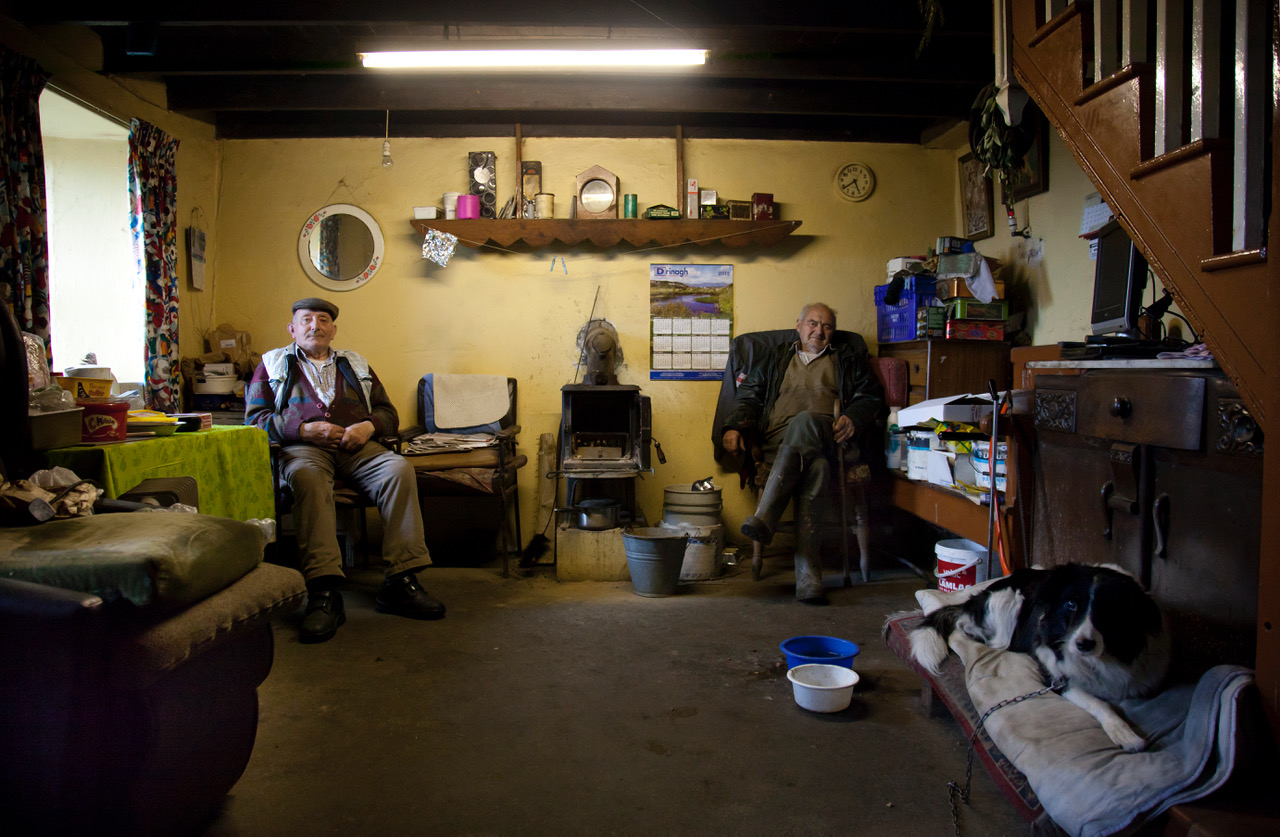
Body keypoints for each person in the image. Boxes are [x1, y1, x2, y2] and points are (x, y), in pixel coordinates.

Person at [246, 297, 444, 642]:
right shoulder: (272, 364)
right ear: (292, 328)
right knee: (306, 478)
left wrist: (368, 428)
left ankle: (400, 580)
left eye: (323, 320)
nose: (315, 326)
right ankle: (323, 592)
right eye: (306, 320)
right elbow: (255, 421)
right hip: (304, 449)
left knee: (398, 470)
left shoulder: (355, 364)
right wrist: (303, 430)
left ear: (333, 330)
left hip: (357, 447)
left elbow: (388, 413)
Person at [720, 302, 884, 603]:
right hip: (778, 441)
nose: (818, 331)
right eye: (812, 323)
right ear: (798, 325)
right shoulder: (776, 357)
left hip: (828, 436)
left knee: (806, 421)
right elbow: (750, 396)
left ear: (832, 332)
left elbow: (870, 397)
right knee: (817, 469)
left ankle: (766, 516)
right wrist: (733, 427)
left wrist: (855, 418)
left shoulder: (847, 358)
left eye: (826, 326)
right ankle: (808, 576)